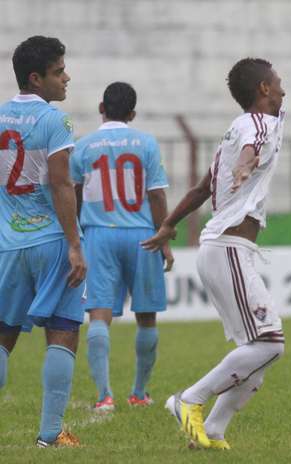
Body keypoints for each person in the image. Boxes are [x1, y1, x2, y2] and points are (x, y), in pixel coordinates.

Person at [142, 57, 286, 450]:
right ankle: (189, 400)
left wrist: (169, 223)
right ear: (263, 89)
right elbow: (250, 153)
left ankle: (216, 429)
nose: (283, 89)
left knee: (256, 353)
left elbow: (202, 188)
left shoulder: (238, 128)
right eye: (277, 82)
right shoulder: (256, 126)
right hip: (227, 248)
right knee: (270, 343)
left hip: (223, 248)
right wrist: (245, 167)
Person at [0, 36, 87, 447]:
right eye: (59, 71)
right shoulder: (57, 121)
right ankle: (50, 434)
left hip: (7, 243)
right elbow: (60, 183)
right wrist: (74, 244)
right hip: (51, 240)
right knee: (64, 328)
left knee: (3, 334)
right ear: (36, 79)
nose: (66, 77)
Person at [70, 82, 173, 412]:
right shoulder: (146, 143)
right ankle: (139, 393)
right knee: (146, 316)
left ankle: (104, 396)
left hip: (98, 233)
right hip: (142, 235)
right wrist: (164, 238)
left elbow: (72, 196)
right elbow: (156, 194)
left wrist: (74, 240)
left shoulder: (83, 146)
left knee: (98, 313)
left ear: (102, 107)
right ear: (132, 113)